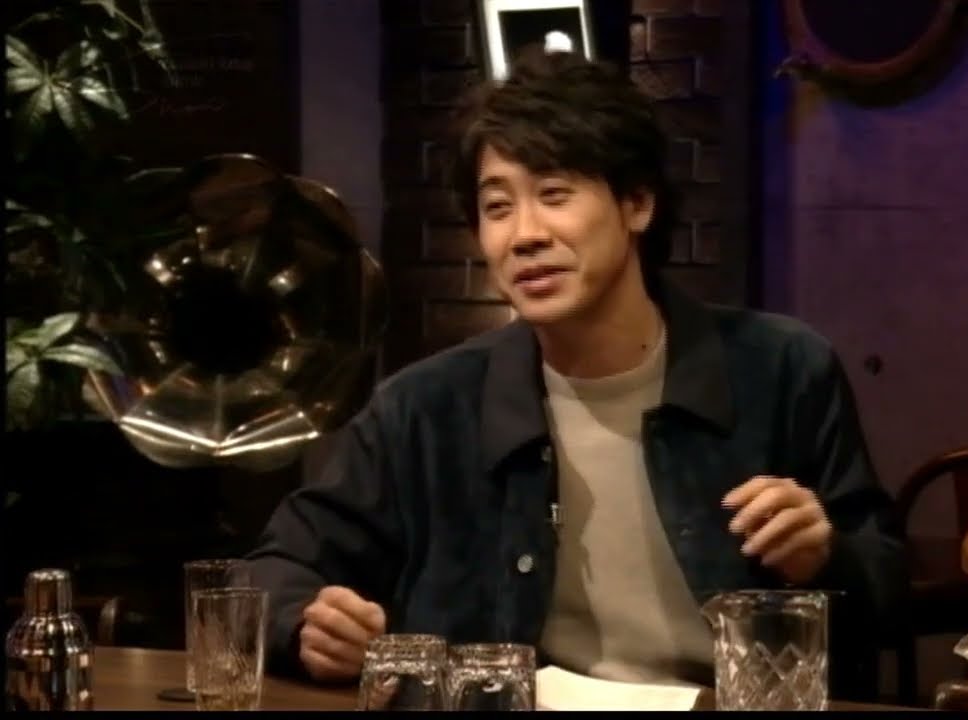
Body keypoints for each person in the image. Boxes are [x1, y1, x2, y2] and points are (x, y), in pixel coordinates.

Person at [245, 48, 906, 693]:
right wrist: (304, 624)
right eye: (497, 207)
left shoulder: (782, 368)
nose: (524, 234)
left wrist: (824, 558)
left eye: (554, 194)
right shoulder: (424, 409)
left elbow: (888, 589)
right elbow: (274, 569)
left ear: (637, 203)